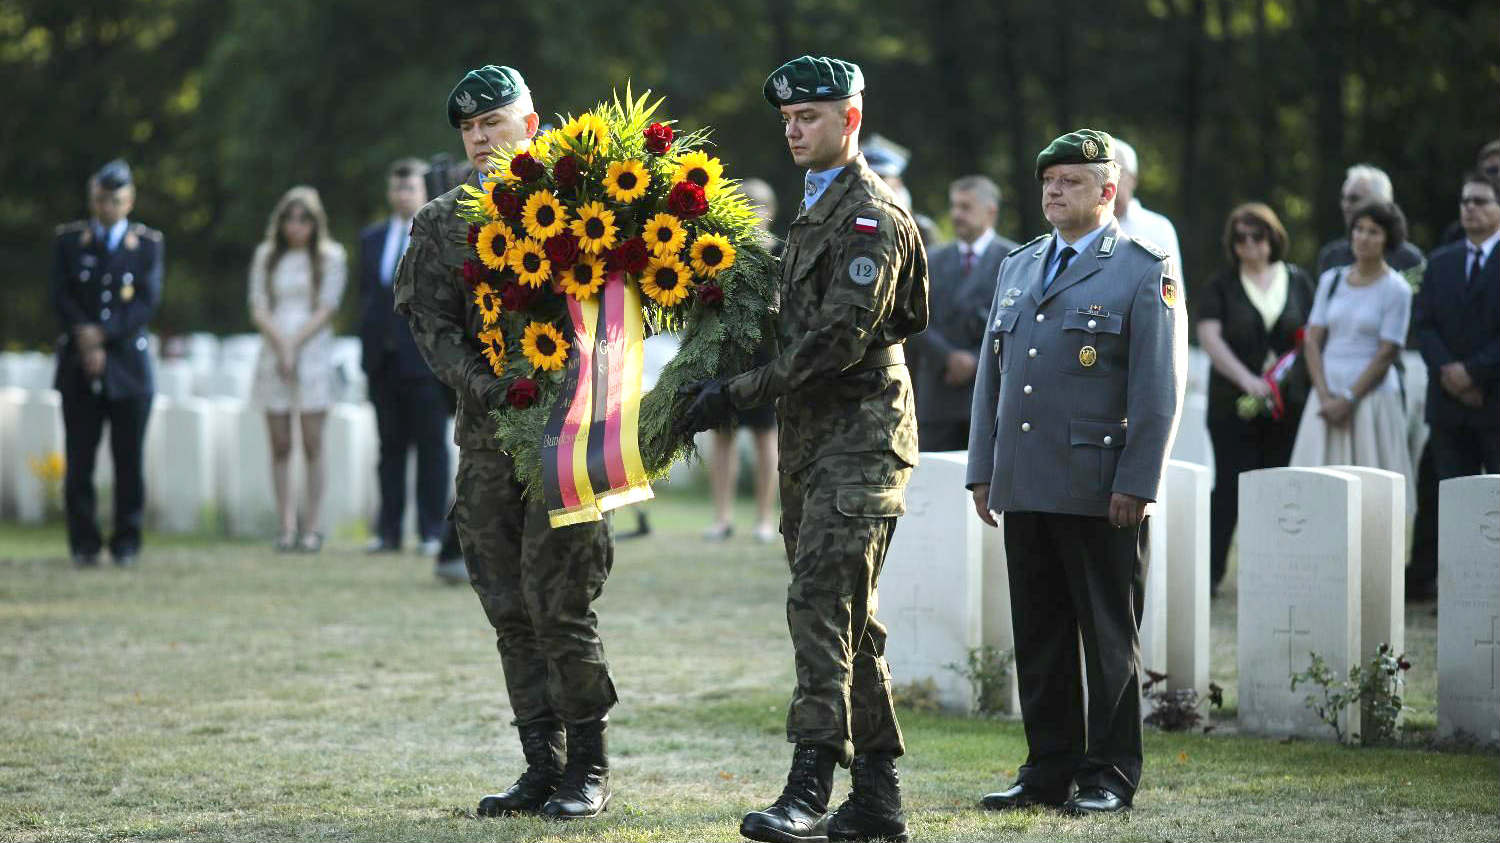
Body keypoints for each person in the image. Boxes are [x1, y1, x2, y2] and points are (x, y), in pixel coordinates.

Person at [678, 55, 929, 843]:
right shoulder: (813, 212)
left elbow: (836, 341)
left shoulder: (869, 217)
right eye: (787, 118)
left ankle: (810, 782)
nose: (793, 129)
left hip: (862, 440)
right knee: (851, 622)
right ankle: (880, 800)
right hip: (815, 444)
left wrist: (736, 393)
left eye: (810, 116)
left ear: (849, 120)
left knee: (819, 604)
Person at [394, 64, 617, 820]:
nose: (481, 137)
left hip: (571, 436)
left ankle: (587, 764)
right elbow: (432, 325)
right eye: (469, 127)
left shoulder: (587, 202)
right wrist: (483, 383)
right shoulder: (442, 222)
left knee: (562, 604)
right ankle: (540, 764)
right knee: (507, 606)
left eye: (494, 121)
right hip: (488, 440)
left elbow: (623, 306)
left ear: (534, 120)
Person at [966, 129, 1186, 816]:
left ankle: (1110, 773)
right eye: (1048, 180)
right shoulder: (1020, 264)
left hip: (1100, 487)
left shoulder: (1144, 269)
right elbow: (990, 378)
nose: (1054, 190)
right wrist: (983, 466)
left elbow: (1158, 388)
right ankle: (1047, 769)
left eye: (1070, 180)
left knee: (1108, 635)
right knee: (1040, 634)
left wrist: (1140, 480)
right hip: (1027, 481)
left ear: (1108, 191)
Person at [1196, 204, 1316, 595]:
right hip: (1232, 403)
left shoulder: (1298, 281)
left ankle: (1274, 572)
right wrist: (1247, 380)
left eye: (1257, 237)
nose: (1249, 245)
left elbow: (1312, 337)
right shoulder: (1221, 285)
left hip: (1288, 404)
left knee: (1280, 488)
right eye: (1240, 238)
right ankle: (1212, 575)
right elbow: (1210, 339)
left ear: (1273, 238)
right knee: (1230, 487)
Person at [50, 159, 163, 568]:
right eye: (100, 199)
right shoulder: (69, 242)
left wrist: (104, 335)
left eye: (115, 200)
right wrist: (85, 337)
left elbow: (146, 302)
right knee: (80, 458)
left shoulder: (147, 245)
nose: (106, 207)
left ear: (129, 200)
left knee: (128, 458)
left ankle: (127, 542)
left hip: (127, 368)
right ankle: (83, 542)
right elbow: (61, 296)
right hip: (78, 363)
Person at [1407, 172, 1500, 600]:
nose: (1470, 209)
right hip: (1449, 406)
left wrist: (1475, 373)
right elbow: (1423, 325)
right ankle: (1459, 593)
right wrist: (1450, 372)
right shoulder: (1440, 262)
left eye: (1480, 201)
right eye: (1465, 202)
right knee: (1454, 506)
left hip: (1493, 399)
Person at [360, 157, 455, 570]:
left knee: (432, 449)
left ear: (423, 191)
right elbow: (368, 301)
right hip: (383, 361)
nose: (403, 195)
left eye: (410, 188)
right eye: (397, 188)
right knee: (389, 448)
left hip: (424, 362)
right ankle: (388, 530)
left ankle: (432, 530)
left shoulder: (435, 233)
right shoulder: (371, 238)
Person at [248, 186, 347, 553]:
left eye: (303, 218)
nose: (296, 226)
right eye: (289, 218)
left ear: (315, 222)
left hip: (313, 349)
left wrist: (295, 344)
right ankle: (285, 525)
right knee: (280, 442)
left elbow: (327, 306)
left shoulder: (330, 256)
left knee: (312, 441)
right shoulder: (266, 256)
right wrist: (281, 344)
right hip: (274, 348)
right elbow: (258, 306)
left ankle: (312, 526)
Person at [1291, 200, 1414, 491]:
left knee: (1372, 486)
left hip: (1370, 397)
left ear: (1388, 238)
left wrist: (1349, 399)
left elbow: (1387, 352)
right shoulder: (1331, 280)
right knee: (1315, 485)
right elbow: (1312, 339)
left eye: (1373, 231)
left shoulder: (1396, 289)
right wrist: (1324, 396)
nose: (1363, 237)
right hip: (1326, 391)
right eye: (1359, 229)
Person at [912, 175, 1017, 451]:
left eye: (966, 207)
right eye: (954, 206)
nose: (957, 214)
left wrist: (974, 359)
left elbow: (1017, 324)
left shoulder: (1015, 260)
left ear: (990, 211)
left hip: (988, 396)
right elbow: (913, 317)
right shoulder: (930, 259)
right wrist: (947, 357)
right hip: (937, 395)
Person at [704, 177, 780, 543]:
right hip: (727, 355)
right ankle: (722, 517)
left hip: (766, 358)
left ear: (770, 212)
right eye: (744, 205)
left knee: (767, 438)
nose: (751, 214)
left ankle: (765, 518)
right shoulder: (719, 252)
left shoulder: (779, 253)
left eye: (758, 207)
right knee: (723, 437)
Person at [1316, 164, 1425, 276]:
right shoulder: (1332, 257)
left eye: (1354, 199)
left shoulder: (1409, 260)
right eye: (1343, 198)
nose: (1345, 206)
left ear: (1381, 202)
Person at [1112, 139, 1184, 284]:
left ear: (1133, 179)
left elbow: (1173, 289)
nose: (1110, 178)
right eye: (1103, 172)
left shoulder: (1159, 228)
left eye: (1116, 170)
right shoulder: (1077, 226)